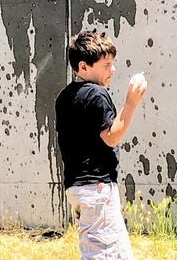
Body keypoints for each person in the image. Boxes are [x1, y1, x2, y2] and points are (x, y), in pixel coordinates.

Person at [55, 31, 148, 260]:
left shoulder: (64, 97)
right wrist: (131, 102)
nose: (112, 70)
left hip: (77, 186)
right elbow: (112, 137)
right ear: (83, 67)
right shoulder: (97, 94)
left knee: (118, 254)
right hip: (97, 188)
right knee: (103, 255)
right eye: (106, 65)